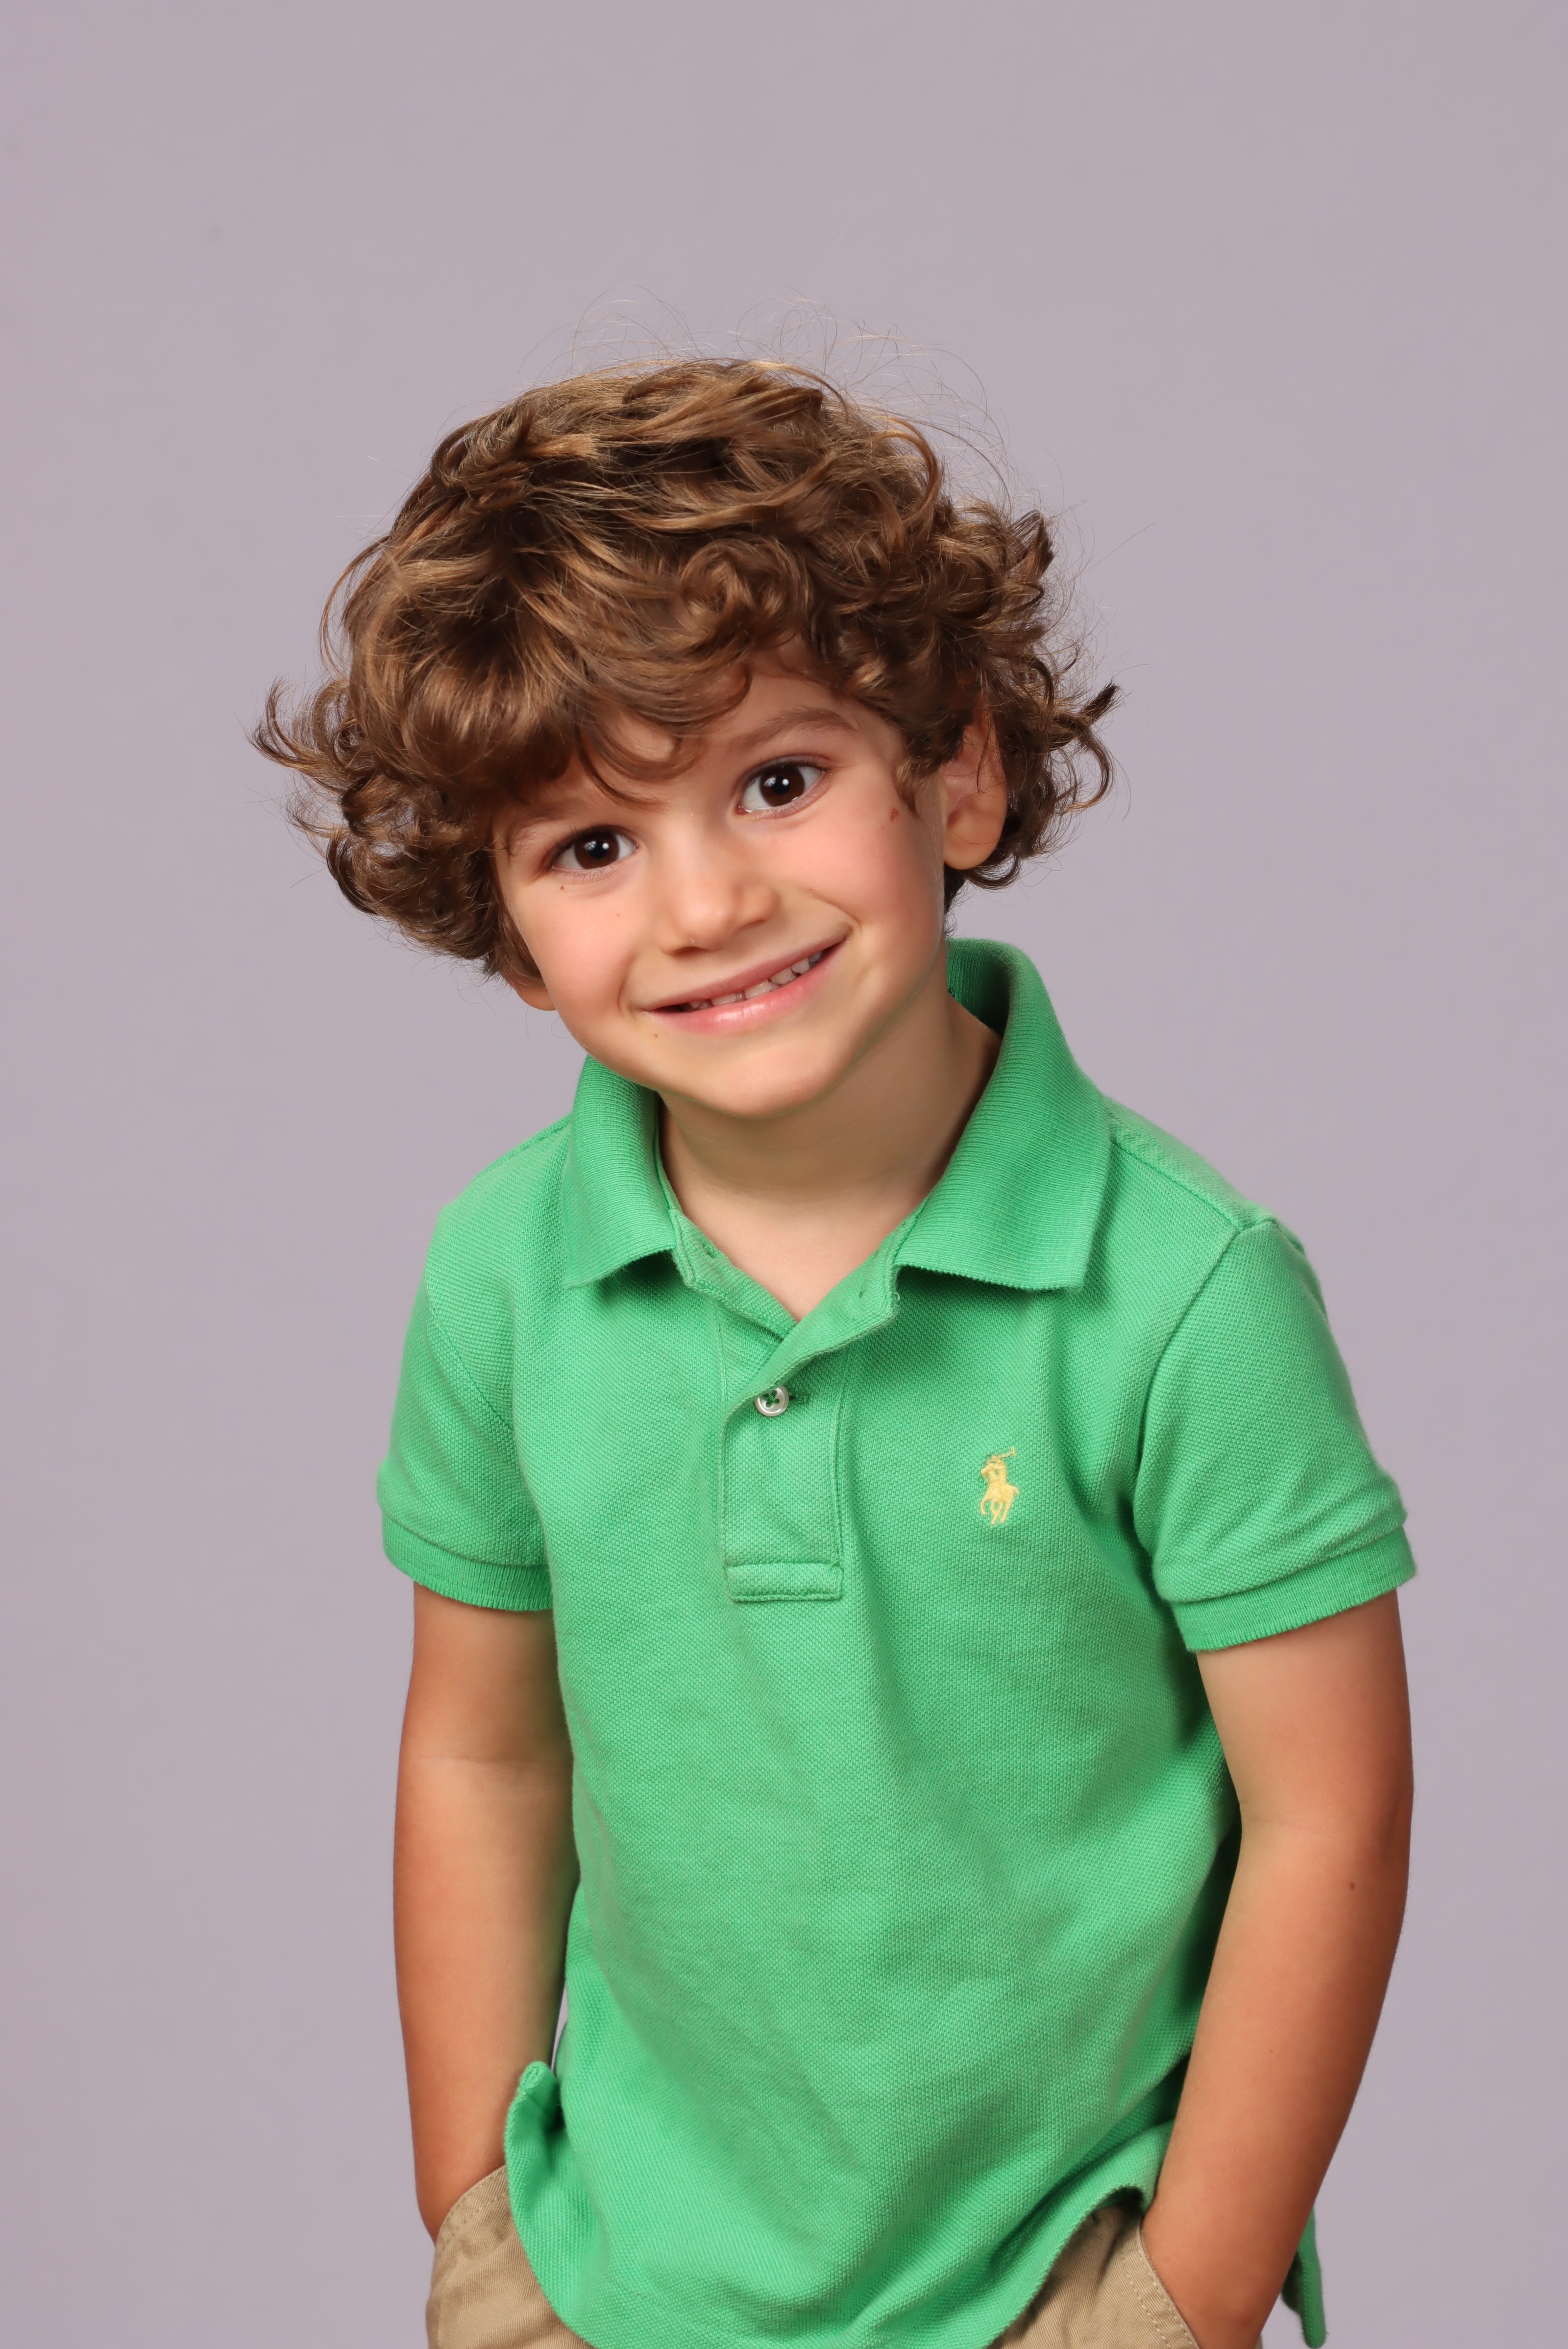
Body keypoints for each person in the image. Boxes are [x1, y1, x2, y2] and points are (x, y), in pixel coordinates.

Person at [256, 360, 1414, 2349]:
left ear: (953, 777)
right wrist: (479, 2228)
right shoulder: (505, 1274)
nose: (706, 903)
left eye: (776, 783)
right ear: (508, 935)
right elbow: (482, 1749)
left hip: (1054, 2290)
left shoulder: (1184, 1293)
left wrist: (1182, 2298)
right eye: (589, 847)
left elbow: (1330, 1817)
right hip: (618, 2287)